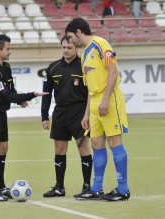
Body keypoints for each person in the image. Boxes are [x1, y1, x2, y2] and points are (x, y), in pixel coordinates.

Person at [0, 34, 48, 201]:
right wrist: (31, 94)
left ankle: (0, 186)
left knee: (3, 148)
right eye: (7, 48)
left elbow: (11, 91)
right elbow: (5, 94)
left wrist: (20, 100)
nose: (10, 51)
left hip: (0, 113)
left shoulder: (6, 68)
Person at [65, 17, 130, 201]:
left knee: (114, 142)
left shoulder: (102, 44)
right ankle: (96, 188)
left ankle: (123, 189)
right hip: (94, 102)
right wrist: (87, 113)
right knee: (96, 144)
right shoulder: (85, 54)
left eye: (71, 36)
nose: (71, 41)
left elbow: (113, 72)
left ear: (79, 32)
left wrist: (106, 99)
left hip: (108, 100)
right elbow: (89, 87)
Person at [41, 35, 92, 198]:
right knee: (59, 149)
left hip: (79, 112)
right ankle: (59, 187)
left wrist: (88, 115)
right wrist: (44, 115)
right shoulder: (53, 68)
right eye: (63, 47)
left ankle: (86, 187)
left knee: (83, 148)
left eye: (69, 48)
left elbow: (91, 91)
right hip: (60, 113)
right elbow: (47, 93)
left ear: (77, 48)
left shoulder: (84, 66)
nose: (65, 50)